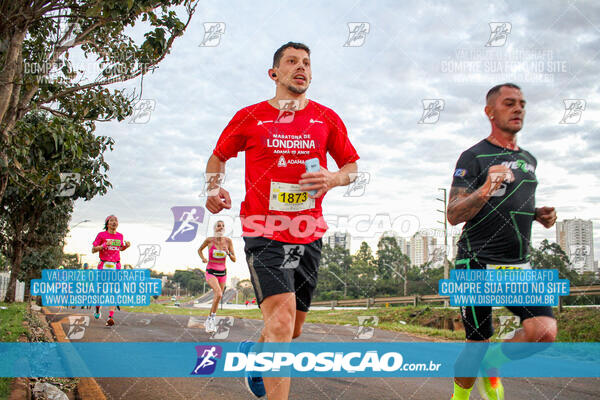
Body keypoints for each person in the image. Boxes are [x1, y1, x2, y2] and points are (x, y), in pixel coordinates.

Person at [205, 42, 359, 400]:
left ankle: (253, 356)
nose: (301, 67)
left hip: (309, 234)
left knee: (292, 331)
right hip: (263, 232)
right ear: (274, 73)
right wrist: (212, 189)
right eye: (292, 61)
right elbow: (218, 156)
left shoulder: (327, 118)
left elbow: (351, 166)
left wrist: (332, 178)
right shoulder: (251, 116)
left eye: (306, 62)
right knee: (280, 323)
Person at [447, 83, 558, 400]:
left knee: (543, 332)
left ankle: (493, 364)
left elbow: (510, 206)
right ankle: (460, 397)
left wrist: (537, 214)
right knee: (477, 342)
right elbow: (453, 214)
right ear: (490, 111)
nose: (518, 108)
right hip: (477, 262)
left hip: (517, 266)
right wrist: (485, 187)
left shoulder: (529, 160)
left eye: (522, 103)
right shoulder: (474, 156)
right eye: (509, 103)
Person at [91, 215, 131, 326]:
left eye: (116, 221)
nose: (114, 222)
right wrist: (104, 245)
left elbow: (120, 248)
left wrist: (126, 246)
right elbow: (93, 250)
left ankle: (110, 317)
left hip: (116, 266)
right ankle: (98, 309)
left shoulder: (120, 236)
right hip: (103, 264)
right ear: (107, 224)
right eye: (112, 220)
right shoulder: (101, 235)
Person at [198, 220, 236, 333]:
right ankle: (212, 320)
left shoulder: (228, 241)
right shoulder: (209, 240)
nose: (221, 227)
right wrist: (203, 258)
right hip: (211, 272)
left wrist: (228, 253)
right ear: (215, 228)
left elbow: (234, 259)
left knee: (218, 296)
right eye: (218, 226)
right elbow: (199, 250)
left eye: (223, 226)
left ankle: (209, 320)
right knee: (219, 293)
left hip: (222, 274)